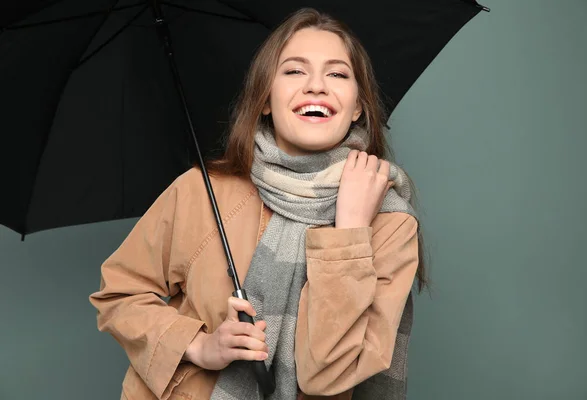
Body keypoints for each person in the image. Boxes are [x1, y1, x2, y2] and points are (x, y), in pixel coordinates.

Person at [89, 7, 426, 400]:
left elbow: (325, 375)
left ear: (357, 107)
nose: (316, 85)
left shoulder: (390, 224)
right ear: (265, 99)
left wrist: (350, 230)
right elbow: (119, 293)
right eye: (294, 70)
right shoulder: (202, 192)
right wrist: (199, 346)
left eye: (337, 73)